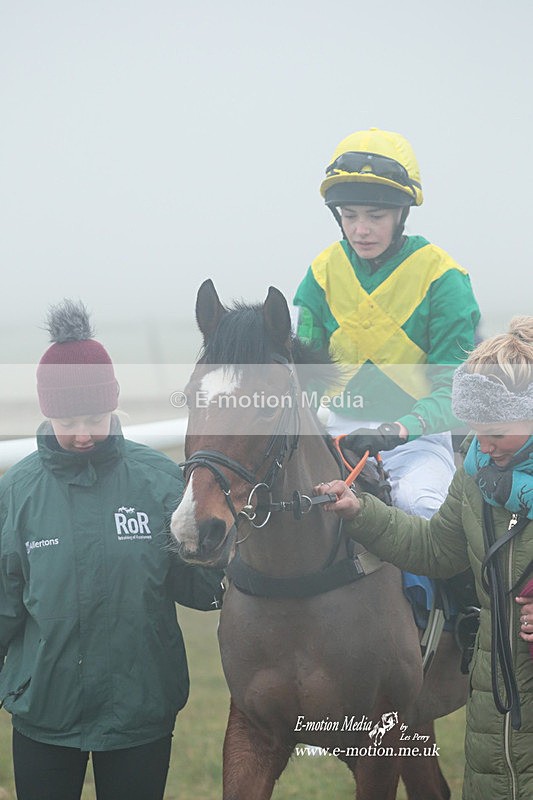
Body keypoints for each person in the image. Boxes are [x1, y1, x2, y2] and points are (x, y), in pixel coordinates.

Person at [0, 300, 224, 800]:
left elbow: (201, 587)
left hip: (139, 715)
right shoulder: (17, 493)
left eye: (94, 417)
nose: (82, 433)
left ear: (114, 403)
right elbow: (5, 602)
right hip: (44, 715)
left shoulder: (160, 482)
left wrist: (228, 555)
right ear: (47, 412)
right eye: (67, 419)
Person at [316, 316, 533, 800]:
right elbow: (436, 548)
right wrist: (362, 512)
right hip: (496, 709)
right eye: (475, 429)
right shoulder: (476, 477)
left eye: (497, 429)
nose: (483, 443)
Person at [293, 127, 481, 519]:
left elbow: (456, 391)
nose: (361, 229)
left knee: (421, 507)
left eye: (375, 216)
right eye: (350, 216)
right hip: (338, 435)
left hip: (417, 439)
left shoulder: (444, 279)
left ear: (402, 214)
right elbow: (305, 378)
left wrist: (398, 429)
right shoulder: (322, 273)